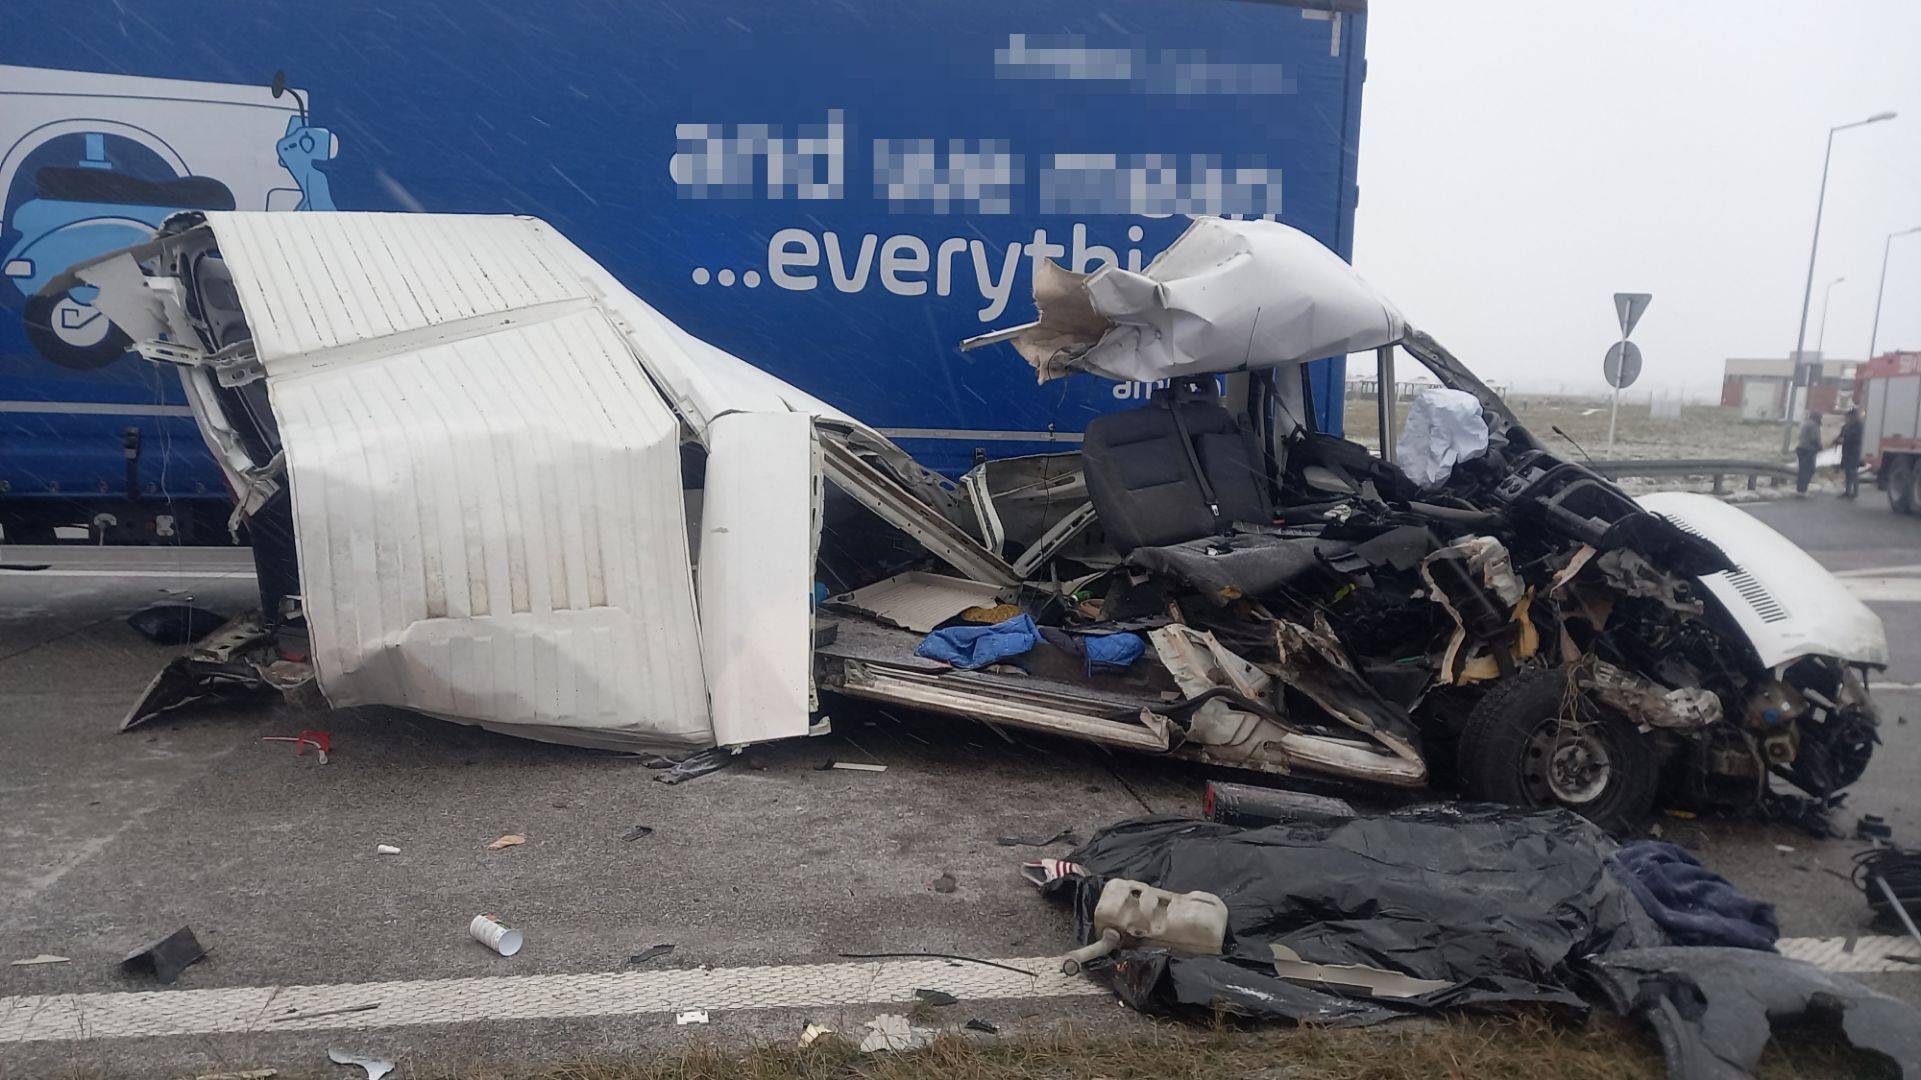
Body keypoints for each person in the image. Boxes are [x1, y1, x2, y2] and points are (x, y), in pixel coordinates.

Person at [1835, 405, 1864, 498]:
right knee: (1847, 472)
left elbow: (1857, 438)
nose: (1847, 418)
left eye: (1849, 416)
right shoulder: (1846, 426)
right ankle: (1847, 491)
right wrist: (1836, 441)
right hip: (1846, 452)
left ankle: (1855, 492)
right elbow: (1840, 436)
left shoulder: (1859, 426)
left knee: (1853, 472)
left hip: (1854, 452)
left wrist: (1845, 440)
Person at [1795, 409, 1823, 495]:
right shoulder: (1814, 425)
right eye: (1820, 417)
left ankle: (1800, 489)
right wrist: (1820, 447)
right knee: (1809, 470)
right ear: (1816, 417)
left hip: (1801, 448)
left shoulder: (1805, 423)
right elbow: (1814, 438)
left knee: (1802, 470)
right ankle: (1802, 490)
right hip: (1809, 450)